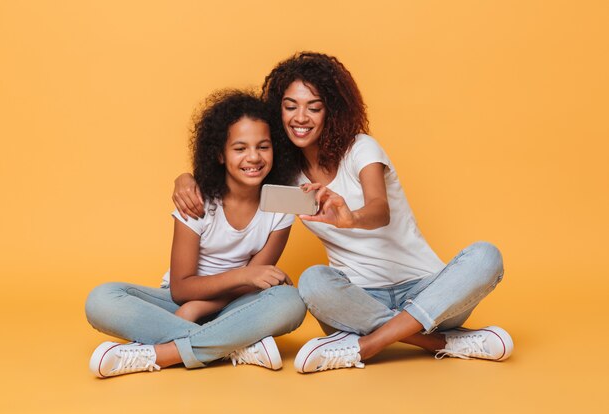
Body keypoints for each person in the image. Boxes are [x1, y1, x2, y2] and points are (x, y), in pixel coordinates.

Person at [173, 52, 513, 374]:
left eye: (313, 108)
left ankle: (366, 346)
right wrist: (186, 178)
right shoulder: (287, 177)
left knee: (485, 256)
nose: (300, 118)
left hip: (429, 294)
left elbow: (379, 209)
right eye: (290, 107)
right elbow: (236, 174)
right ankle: (440, 342)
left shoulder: (361, 149)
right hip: (358, 300)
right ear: (278, 113)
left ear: (331, 111)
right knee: (312, 281)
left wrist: (352, 218)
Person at [85, 90, 306, 378]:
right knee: (101, 299)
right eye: (240, 148)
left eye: (263, 147)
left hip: (238, 304)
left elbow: (256, 283)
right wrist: (237, 279)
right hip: (179, 303)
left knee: (291, 302)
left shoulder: (282, 202)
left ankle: (164, 354)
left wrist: (202, 308)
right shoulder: (197, 199)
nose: (253, 157)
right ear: (219, 154)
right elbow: (181, 288)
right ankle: (235, 346)